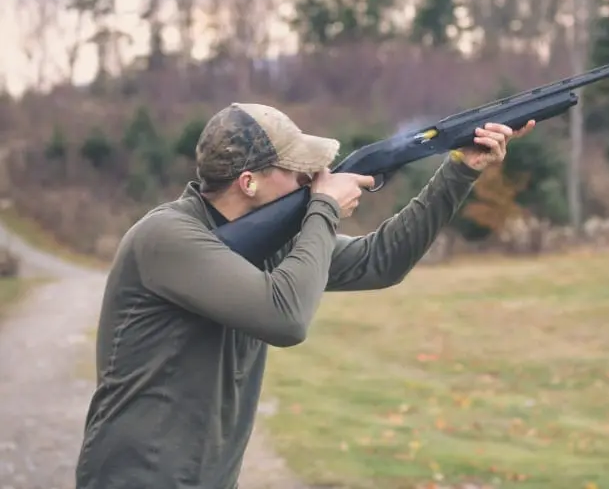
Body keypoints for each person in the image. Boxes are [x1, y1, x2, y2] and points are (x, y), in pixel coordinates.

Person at [74, 102, 535, 488]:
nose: (316, 177)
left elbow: (382, 260)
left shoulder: (267, 240)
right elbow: (286, 318)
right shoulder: (165, 237)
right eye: (299, 172)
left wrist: (459, 171)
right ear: (248, 182)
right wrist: (324, 208)